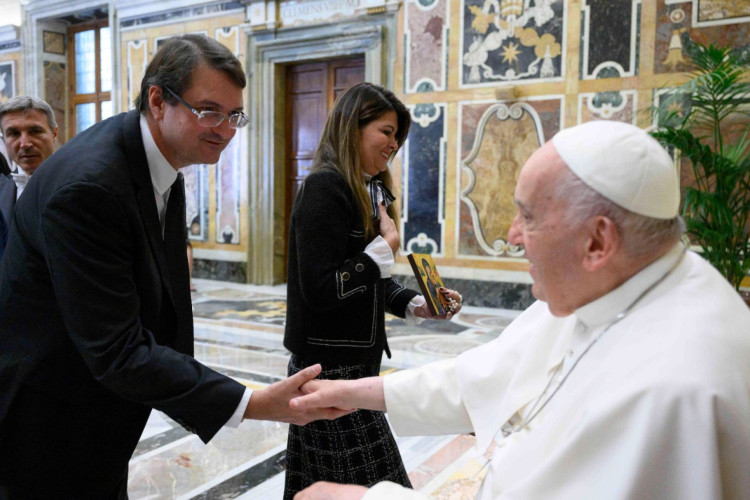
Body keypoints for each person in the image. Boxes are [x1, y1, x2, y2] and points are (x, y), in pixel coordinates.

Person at [289, 120, 750, 500]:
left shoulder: (671, 389)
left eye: (527, 216)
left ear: (597, 241)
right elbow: (486, 374)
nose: (510, 235)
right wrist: (353, 393)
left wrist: (365, 499)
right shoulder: (607, 285)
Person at [0, 34, 348, 499]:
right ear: (158, 100)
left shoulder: (160, 162)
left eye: (233, 116)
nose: (224, 129)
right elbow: (116, 350)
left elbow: (164, 303)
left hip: (98, 409)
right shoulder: (90, 188)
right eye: (209, 110)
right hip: (47, 422)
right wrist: (253, 402)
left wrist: (181, 386)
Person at [283, 82, 463, 499]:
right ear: (353, 127)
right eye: (386, 131)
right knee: (369, 484)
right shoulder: (325, 188)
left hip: (354, 367)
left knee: (326, 485)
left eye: (397, 134)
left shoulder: (369, 190)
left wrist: (418, 305)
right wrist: (382, 250)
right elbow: (321, 288)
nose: (394, 144)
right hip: (326, 369)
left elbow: (371, 281)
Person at [0, 95, 59, 259]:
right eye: (13, 133)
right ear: (4, 140)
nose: (25, 143)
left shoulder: (78, 186)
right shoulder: (2, 189)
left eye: (35, 131)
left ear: (54, 133)